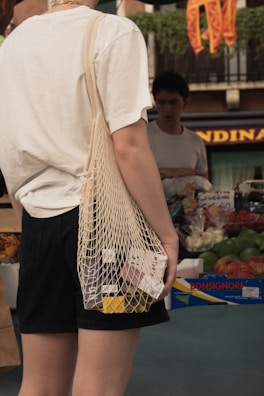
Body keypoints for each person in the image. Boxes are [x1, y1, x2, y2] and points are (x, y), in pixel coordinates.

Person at [0, 1, 178, 396]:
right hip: (107, 226)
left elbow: (9, 150)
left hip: (38, 221)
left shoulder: (12, 46)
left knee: (39, 385)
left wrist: (27, 217)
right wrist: (166, 234)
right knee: (98, 385)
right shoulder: (114, 32)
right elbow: (129, 147)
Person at [147, 70, 209, 181]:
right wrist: (169, 172)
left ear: (185, 103)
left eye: (173, 102)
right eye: (161, 102)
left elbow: (204, 184)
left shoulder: (196, 141)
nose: (167, 109)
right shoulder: (144, 136)